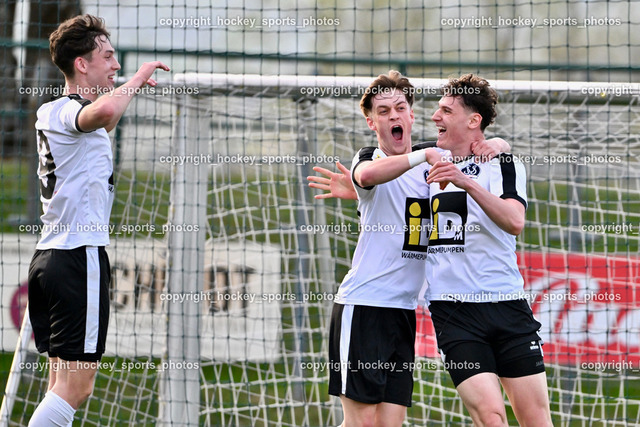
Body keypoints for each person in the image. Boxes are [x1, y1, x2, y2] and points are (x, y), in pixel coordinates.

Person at [308, 71, 510, 427]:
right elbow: (367, 177)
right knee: (361, 423)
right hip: (364, 306)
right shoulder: (370, 157)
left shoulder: (435, 160)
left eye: (400, 108)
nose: (394, 116)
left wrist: (498, 143)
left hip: (403, 313)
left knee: (390, 423)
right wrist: (423, 156)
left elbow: (486, 146)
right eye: (383, 111)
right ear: (371, 122)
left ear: (412, 115)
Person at [27, 14, 169, 426]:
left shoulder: (56, 113)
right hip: (77, 257)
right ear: (81, 64)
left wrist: (122, 91)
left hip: (50, 259)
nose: (116, 64)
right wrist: (138, 77)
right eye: (107, 56)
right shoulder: (69, 111)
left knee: (59, 383)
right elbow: (103, 113)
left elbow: (105, 117)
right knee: (77, 388)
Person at [424, 74, 552, 426]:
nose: (435, 116)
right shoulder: (426, 160)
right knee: (491, 416)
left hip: (507, 306)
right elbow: (383, 162)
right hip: (454, 310)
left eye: (446, 111)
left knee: (536, 419)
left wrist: (465, 181)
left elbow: (514, 220)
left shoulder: (503, 163)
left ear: (473, 120)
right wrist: (358, 183)